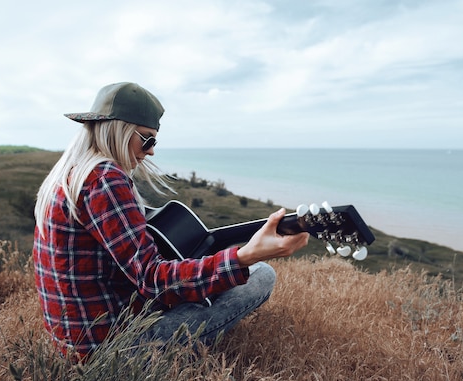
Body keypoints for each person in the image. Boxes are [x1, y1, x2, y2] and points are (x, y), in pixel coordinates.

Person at [33, 82, 309, 360]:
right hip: (114, 352)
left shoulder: (70, 174)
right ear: (119, 130)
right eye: (147, 139)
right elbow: (153, 279)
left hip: (75, 342)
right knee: (261, 274)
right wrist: (244, 256)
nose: (151, 151)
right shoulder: (106, 180)